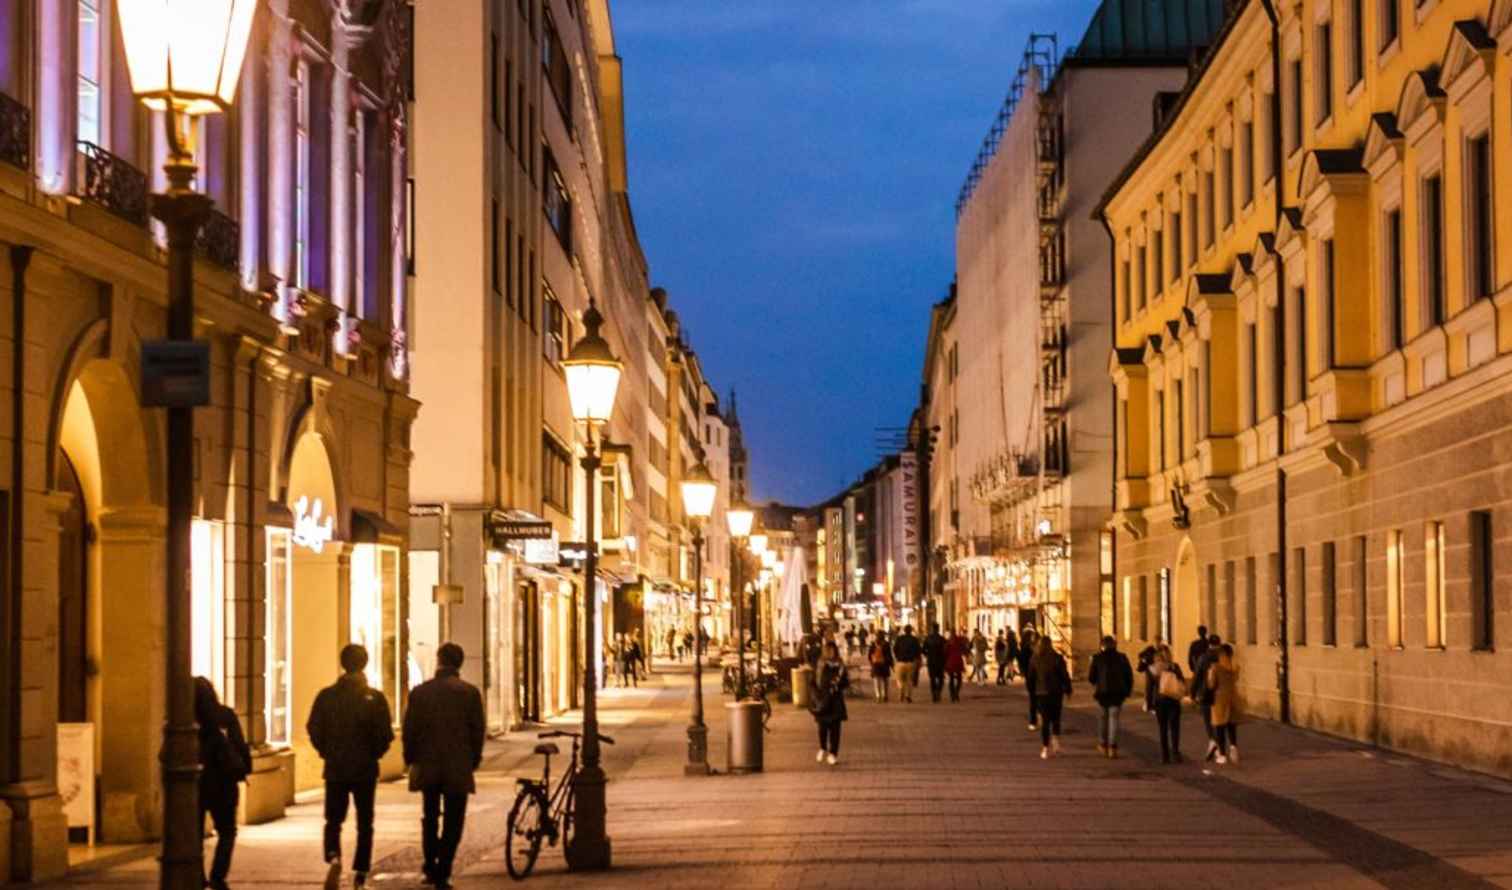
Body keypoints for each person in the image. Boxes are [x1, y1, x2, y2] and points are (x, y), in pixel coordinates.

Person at [308, 645, 394, 889]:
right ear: (364, 664)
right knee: (365, 823)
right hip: (365, 769)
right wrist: (374, 754)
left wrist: (326, 751)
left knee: (333, 819)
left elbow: (314, 727)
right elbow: (385, 734)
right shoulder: (374, 698)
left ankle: (334, 856)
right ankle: (360, 872)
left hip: (336, 767)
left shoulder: (327, 696)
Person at [403, 642, 485, 890]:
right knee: (453, 819)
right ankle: (444, 869)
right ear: (459, 664)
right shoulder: (469, 693)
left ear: (438, 661)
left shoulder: (420, 693)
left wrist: (411, 759)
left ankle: (429, 864)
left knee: (429, 816)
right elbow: (477, 732)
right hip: (458, 765)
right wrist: (473, 760)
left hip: (428, 764)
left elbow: (410, 731)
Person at [196, 677, 250, 890]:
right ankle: (218, 876)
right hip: (224, 784)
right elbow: (240, 746)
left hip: (195, 785)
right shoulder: (225, 715)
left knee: (194, 835)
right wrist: (244, 770)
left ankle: (198, 876)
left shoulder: (184, 718)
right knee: (227, 832)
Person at [1086, 636, 1134, 759]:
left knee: (1103, 718)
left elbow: (1091, 678)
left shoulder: (1097, 658)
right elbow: (1129, 675)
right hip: (1118, 693)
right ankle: (1112, 746)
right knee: (1114, 719)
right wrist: (1127, 691)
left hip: (1103, 693)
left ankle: (1103, 744)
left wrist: (1097, 681)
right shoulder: (1122, 658)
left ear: (1102, 645)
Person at [1027, 637, 1072, 758]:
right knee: (1056, 718)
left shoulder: (1035, 658)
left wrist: (1032, 691)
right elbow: (1064, 675)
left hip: (1041, 693)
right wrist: (1068, 689)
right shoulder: (1057, 658)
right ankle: (1056, 743)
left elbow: (1031, 677)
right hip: (1056, 693)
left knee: (1045, 721)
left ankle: (1045, 748)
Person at [810, 641, 850, 764]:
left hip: (836, 701)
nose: (831, 652)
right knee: (822, 728)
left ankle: (833, 753)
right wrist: (816, 697)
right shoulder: (820, 664)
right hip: (822, 700)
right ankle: (823, 747)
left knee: (835, 729)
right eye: (829, 650)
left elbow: (846, 682)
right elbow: (813, 683)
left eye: (833, 650)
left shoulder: (841, 665)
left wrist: (838, 686)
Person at [1150, 644, 1187, 763]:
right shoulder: (1174, 667)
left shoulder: (1154, 669)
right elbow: (1182, 681)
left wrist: (1150, 702)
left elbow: (1149, 687)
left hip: (1160, 701)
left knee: (1163, 728)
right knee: (1175, 727)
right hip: (1174, 700)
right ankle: (1175, 753)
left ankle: (1164, 755)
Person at [1189, 632, 1223, 761]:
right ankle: (1220, 748)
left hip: (1206, 693)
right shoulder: (1223, 657)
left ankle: (1212, 741)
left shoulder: (1203, 658)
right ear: (1219, 643)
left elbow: (1197, 677)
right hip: (1220, 693)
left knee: (1208, 720)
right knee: (1220, 722)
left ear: (1209, 644)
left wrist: (1192, 693)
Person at [1208, 644, 1241, 764]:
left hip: (1219, 700)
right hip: (1232, 698)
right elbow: (1235, 679)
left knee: (1220, 727)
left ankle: (1222, 755)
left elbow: (1211, 684)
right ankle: (1233, 747)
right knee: (1231, 726)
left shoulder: (1215, 667)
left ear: (1221, 654)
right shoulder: (1234, 667)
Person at [892, 625, 922, 703]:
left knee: (900, 679)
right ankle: (908, 696)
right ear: (911, 630)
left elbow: (894, 649)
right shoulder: (914, 640)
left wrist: (898, 656)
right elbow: (918, 651)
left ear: (904, 630)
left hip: (900, 662)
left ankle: (901, 689)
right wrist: (917, 660)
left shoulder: (899, 639)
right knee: (910, 680)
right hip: (911, 662)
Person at [1018, 626, 1039, 729]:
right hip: (1033, 677)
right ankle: (1034, 720)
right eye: (1032, 636)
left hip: (1030, 676)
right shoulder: (1028, 649)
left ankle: (1034, 720)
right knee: (1035, 699)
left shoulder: (1026, 648)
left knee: (1034, 698)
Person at [1136, 636, 1164, 713]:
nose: (1157, 643)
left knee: (1158, 689)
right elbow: (1140, 655)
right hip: (1150, 671)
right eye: (1156, 641)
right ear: (1154, 642)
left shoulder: (1163, 649)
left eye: (1159, 641)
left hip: (1160, 671)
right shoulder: (1150, 649)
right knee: (1149, 689)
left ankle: (1156, 705)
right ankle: (1149, 705)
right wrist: (1145, 659)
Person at [923, 623, 947, 703]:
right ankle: (938, 691)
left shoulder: (928, 638)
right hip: (940, 661)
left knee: (932, 679)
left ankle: (934, 694)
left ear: (932, 629)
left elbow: (923, 650)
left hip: (931, 661)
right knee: (940, 678)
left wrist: (928, 655)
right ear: (938, 629)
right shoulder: (942, 639)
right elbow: (945, 650)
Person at [943, 628, 969, 701]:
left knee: (951, 679)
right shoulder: (959, 640)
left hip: (950, 662)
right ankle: (956, 693)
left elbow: (945, 652)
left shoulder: (948, 642)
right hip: (958, 661)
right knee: (959, 679)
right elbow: (964, 649)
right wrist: (966, 654)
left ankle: (952, 694)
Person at [868, 631, 893, 702]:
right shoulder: (887, 644)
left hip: (875, 665)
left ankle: (878, 696)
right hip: (884, 665)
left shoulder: (873, 644)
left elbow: (869, 655)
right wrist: (891, 664)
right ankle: (885, 695)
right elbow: (889, 655)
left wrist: (872, 662)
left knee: (876, 681)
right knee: (885, 681)